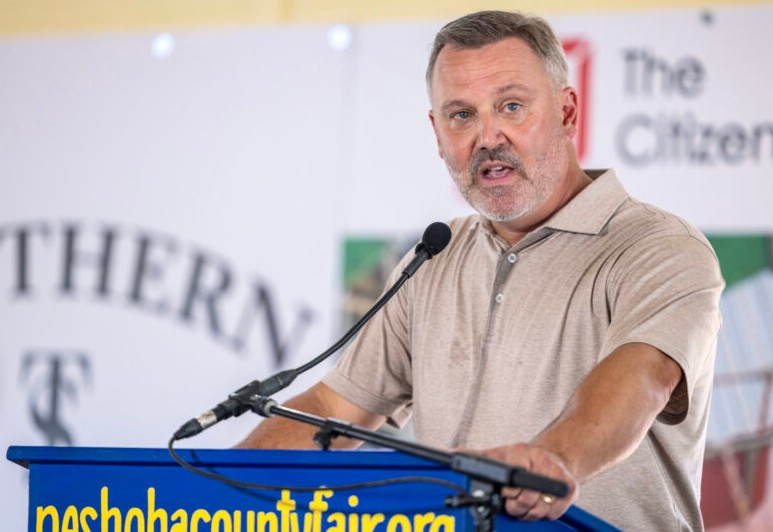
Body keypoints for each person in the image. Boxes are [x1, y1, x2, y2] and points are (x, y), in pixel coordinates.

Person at [238, 10, 724, 531]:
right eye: (461, 115)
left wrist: (553, 460)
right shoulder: (434, 258)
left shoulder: (660, 248)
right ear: (437, 133)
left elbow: (642, 380)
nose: (488, 137)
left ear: (566, 112)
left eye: (511, 107)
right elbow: (334, 409)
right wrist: (206, 485)